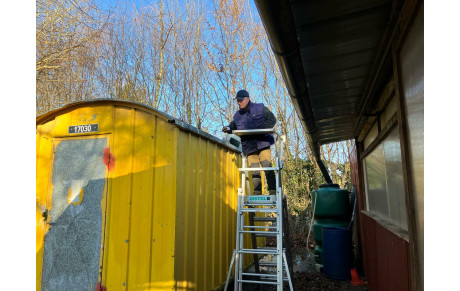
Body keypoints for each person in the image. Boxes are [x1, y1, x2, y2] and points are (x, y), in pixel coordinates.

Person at [223, 89, 277, 195]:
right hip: (249, 147)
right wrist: (228, 128)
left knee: (267, 166)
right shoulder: (237, 116)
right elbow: (233, 126)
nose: (239, 103)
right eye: (237, 101)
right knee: (254, 170)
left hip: (263, 143)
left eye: (241, 100)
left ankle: (273, 191)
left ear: (247, 99)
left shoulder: (260, 108)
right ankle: (257, 193)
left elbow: (272, 120)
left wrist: (260, 131)